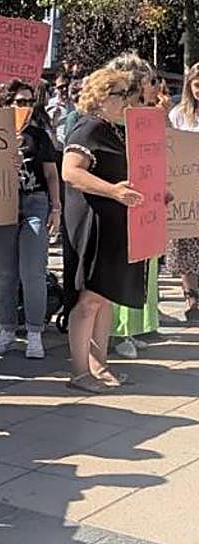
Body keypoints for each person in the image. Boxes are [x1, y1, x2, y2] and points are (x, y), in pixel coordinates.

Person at [61, 67, 144, 393]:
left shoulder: (114, 129)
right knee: (90, 299)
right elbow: (70, 171)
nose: (127, 100)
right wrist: (113, 192)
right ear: (100, 96)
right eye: (120, 94)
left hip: (113, 223)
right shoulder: (89, 128)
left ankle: (99, 364)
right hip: (93, 223)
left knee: (105, 296)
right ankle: (80, 372)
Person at [0, 80, 61, 360]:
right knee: (5, 274)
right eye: (19, 102)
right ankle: (6, 329)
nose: (25, 108)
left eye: (29, 102)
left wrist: (56, 208)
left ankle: (34, 332)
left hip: (34, 202)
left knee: (33, 272)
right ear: (5, 104)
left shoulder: (38, 136)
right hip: (1, 206)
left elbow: (51, 174)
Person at [106, 53, 160, 358]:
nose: (147, 87)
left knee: (142, 266)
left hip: (144, 199)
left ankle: (133, 326)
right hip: (119, 199)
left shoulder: (145, 115)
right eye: (143, 80)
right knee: (120, 266)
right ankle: (116, 330)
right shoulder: (113, 119)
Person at [168, 63, 199, 322]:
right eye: (197, 85)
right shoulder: (179, 114)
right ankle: (191, 297)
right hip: (185, 188)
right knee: (185, 244)